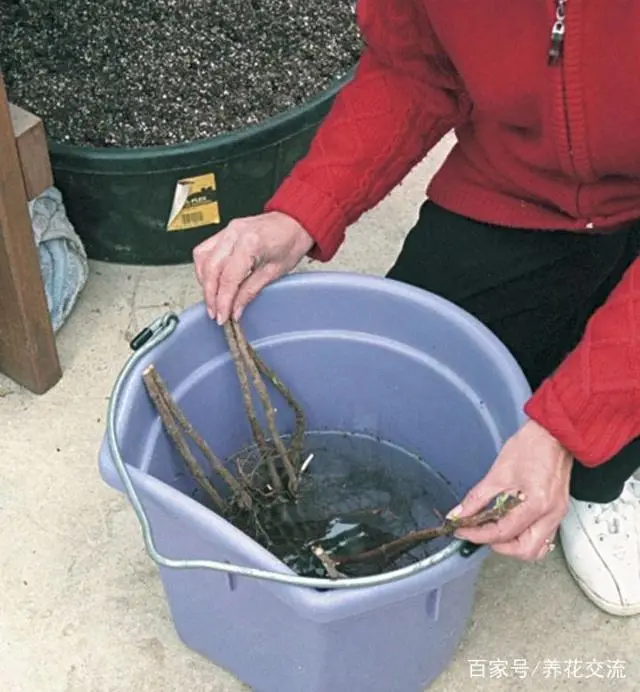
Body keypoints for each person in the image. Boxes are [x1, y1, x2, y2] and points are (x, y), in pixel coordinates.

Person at [192, 1, 640, 616]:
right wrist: (301, 211)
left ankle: (608, 479)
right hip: (523, 186)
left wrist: (572, 427)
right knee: (412, 379)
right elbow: (416, 66)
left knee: (591, 424)